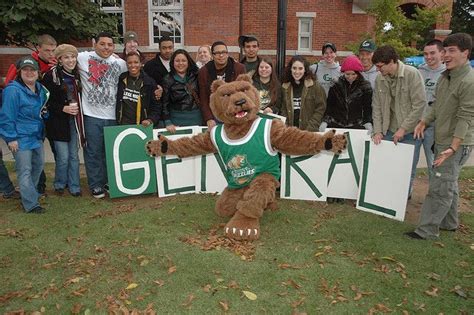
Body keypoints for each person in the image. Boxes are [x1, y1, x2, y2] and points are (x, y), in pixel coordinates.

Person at [406, 33, 473, 240]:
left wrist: (453, 148)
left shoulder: (469, 81)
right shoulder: (446, 77)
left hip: (455, 143)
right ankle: (450, 223)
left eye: (452, 51)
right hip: (442, 139)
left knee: (439, 187)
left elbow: (465, 117)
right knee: (448, 183)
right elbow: (436, 106)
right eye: (445, 50)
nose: (446, 55)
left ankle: (426, 230)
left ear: (465, 53)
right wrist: (423, 121)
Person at [5, 34, 58, 195]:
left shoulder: (52, 64)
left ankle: (34, 189)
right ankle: (32, 192)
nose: (50, 54)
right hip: (22, 120)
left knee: (38, 160)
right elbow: (9, 84)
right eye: (47, 50)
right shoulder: (26, 63)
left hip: (41, 117)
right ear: (39, 48)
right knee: (27, 163)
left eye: (53, 50)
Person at [371, 45, 426, 199]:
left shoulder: (412, 74)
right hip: (388, 131)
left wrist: (403, 129)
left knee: (407, 169)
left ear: (392, 62)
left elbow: (419, 105)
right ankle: (387, 199)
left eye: (380, 66)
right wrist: (378, 131)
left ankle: (402, 200)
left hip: (410, 132)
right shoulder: (379, 79)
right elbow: (376, 107)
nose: (378, 70)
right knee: (387, 167)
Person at [77, 32, 127, 198]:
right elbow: (63, 58)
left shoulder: (120, 64)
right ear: (94, 44)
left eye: (109, 45)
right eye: (102, 44)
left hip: (112, 115)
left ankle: (109, 181)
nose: (106, 47)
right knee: (93, 152)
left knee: (110, 152)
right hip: (91, 115)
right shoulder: (82, 58)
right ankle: (96, 184)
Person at [0, 57, 49, 213]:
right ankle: (31, 204)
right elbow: (7, 115)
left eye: (32, 70)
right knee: (25, 169)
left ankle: (29, 194)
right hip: (20, 137)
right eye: (25, 70)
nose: (29, 73)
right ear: (20, 73)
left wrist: (45, 114)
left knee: (39, 166)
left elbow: (41, 111)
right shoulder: (12, 90)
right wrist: (11, 138)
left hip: (36, 136)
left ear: (38, 72)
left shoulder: (41, 89)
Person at [42, 44, 84, 197]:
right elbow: (45, 101)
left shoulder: (78, 75)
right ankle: (60, 183)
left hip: (74, 121)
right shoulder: (50, 76)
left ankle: (74, 185)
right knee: (63, 156)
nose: (70, 60)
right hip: (58, 122)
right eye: (66, 57)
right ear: (59, 59)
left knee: (73, 155)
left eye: (73, 56)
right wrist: (62, 108)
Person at [414, 39, 446, 180]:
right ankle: (406, 192)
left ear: (441, 53)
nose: (428, 57)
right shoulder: (419, 71)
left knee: (433, 161)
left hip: (434, 126)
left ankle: (435, 192)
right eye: (426, 54)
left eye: (432, 53)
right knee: (410, 161)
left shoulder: (447, 73)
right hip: (416, 124)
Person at [198, 41, 246, 128]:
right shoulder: (204, 71)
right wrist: (208, 118)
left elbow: (243, 94)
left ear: (227, 54)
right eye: (217, 53)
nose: (221, 55)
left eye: (224, 52)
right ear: (212, 55)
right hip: (214, 114)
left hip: (235, 112)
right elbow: (203, 98)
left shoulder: (239, 68)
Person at [320, 55, 373, 131]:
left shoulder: (365, 86)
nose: (350, 77)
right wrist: (325, 121)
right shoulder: (336, 84)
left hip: (357, 124)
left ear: (358, 73)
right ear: (343, 73)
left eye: (353, 74)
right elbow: (330, 105)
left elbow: (367, 107)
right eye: (347, 74)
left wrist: (368, 121)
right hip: (336, 124)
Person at [161, 49, 203, 133]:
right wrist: (167, 122)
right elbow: (164, 103)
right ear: (173, 62)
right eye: (177, 61)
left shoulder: (197, 75)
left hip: (196, 118)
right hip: (176, 120)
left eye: (183, 60)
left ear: (188, 62)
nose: (180, 63)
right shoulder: (167, 79)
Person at [280, 55, 326, 131]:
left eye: (300, 68)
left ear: (305, 70)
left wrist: (311, 127)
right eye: (294, 68)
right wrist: (287, 128)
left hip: (309, 132)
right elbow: (283, 109)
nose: (297, 72)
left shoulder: (315, 86)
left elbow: (320, 108)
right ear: (290, 69)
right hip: (290, 132)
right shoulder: (285, 87)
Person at [116, 51, 161, 126]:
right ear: (126, 64)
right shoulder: (121, 78)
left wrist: (150, 119)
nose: (133, 65)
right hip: (122, 125)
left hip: (142, 126)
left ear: (141, 64)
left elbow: (156, 107)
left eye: (136, 62)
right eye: (129, 63)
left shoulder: (149, 82)